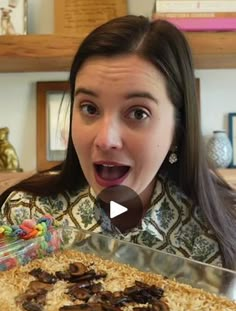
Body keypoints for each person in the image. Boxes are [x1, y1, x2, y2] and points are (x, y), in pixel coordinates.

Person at [0, 15, 236, 270]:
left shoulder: (221, 232)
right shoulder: (25, 214)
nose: (105, 139)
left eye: (138, 113)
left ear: (177, 130)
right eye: (89, 108)